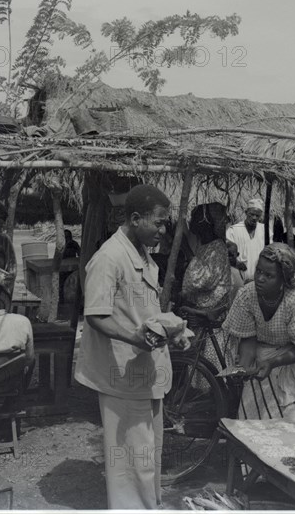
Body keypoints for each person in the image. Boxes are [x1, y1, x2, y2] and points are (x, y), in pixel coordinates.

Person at [74, 184, 190, 510]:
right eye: (159, 222)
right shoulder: (109, 258)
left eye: (166, 223)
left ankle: (147, 506)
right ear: (136, 218)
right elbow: (96, 316)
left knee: (148, 453)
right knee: (131, 457)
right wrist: (135, 339)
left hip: (144, 374)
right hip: (121, 374)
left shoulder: (141, 253)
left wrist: (170, 330)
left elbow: (143, 312)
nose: (163, 230)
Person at [222, 243, 295, 422]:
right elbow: (248, 340)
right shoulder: (247, 295)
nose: (260, 278)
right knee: (257, 414)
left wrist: (273, 362)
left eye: (269, 275)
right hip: (266, 353)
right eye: (259, 271)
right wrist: (244, 369)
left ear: (283, 280)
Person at [181, 203, 232, 315]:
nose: (192, 221)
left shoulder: (217, 247)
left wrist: (186, 249)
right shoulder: (205, 245)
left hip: (210, 308)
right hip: (202, 303)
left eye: (196, 218)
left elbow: (205, 280)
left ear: (207, 223)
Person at [227, 198, 269, 283]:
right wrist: (236, 263)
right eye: (252, 214)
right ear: (246, 213)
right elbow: (226, 254)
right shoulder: (233, 230)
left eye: (257, 216)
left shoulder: (265, 230)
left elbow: (270, 252)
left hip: (259, 279)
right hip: (238, 279)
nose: (254, 218)